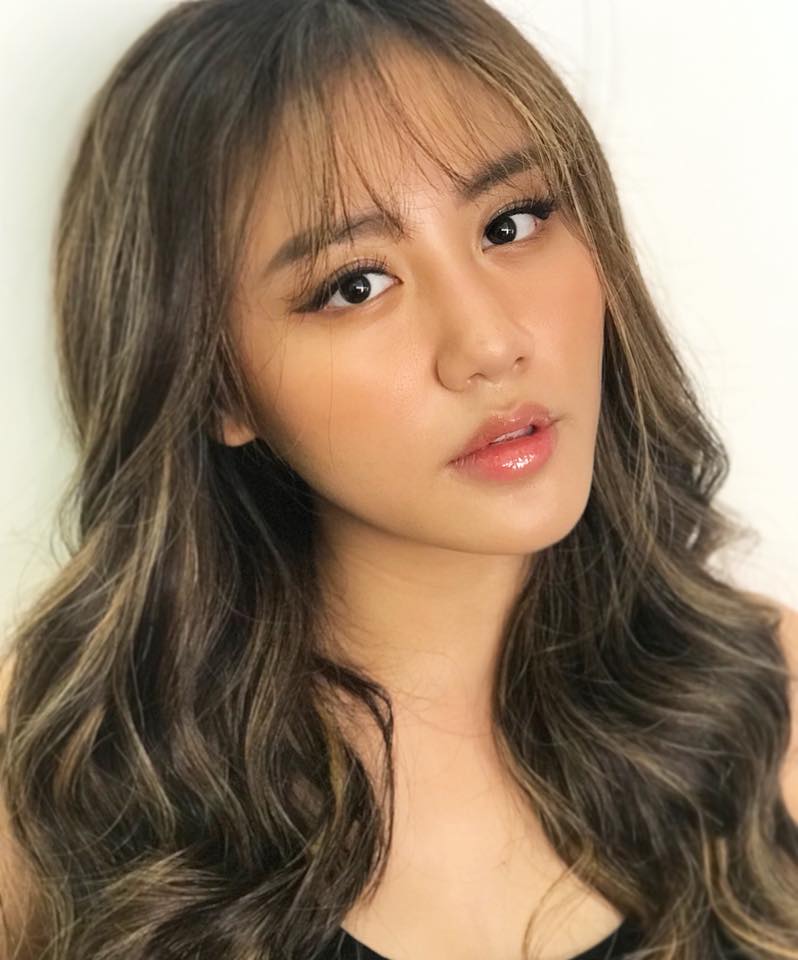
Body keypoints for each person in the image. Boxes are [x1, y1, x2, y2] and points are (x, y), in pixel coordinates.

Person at [1, 0, 797, 958]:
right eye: (355, 285)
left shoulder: (769, 698)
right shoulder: (50, 786)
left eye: (510, 223)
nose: (490, 343)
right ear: (216, 383)